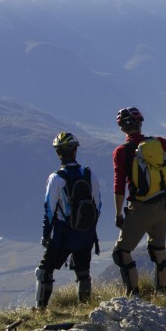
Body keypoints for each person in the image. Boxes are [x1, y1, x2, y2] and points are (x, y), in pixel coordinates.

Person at [112, 107, 166, 296]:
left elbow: (119, 185)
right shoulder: (157, 143)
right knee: (158, 249)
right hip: (161, 206)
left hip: (140, 208)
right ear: (140, 124)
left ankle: (133, 297)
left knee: (121, 253)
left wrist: (119, 213)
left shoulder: (121, 152)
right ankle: (162, 294)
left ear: (121, 127)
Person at [35, 132, 102, 309]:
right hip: (86, 234)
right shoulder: (89, 174)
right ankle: (86, 308)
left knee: (44, 271)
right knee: (83, 272)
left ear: (59, 153)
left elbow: (49, 210)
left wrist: (45, 235)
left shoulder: (56, 178)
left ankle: (40, 310)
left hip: (62, 235)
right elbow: (98, 205)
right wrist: (87, 226)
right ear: (75, 151)